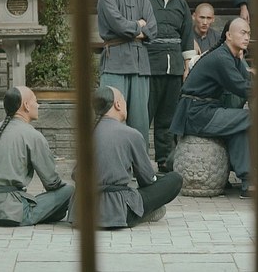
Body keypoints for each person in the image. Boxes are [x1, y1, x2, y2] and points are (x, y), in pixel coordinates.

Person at [170, 18, 258, 198]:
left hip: (206, 111)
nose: (247, 37)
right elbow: (242, 88)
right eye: (242, 33)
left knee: (239, 128)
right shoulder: (221, 57)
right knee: (251, 117)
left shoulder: (232, 56)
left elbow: (247, 80)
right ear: (228, 35)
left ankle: (248, 183)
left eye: (249, 33)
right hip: (196, 113)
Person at [69, 86, 183, 228]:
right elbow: (147, 179)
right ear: (117, 104)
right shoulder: (131, 134)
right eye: (123, 100)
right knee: (174, 179)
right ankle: (140, 214)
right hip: (115, 211)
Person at [0, 87, 74, 227]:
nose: (38, 105)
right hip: (10, 211)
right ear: (26, 105)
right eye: (36, 101)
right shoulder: (33, 135)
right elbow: (52, 183)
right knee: (68, 191)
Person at [97, 0, 159, 146]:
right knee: (112, 116)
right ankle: (112, 161)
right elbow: (119, 25)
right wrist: (139, 26)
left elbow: (153, 29)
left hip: (140, 65)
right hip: (115, 62)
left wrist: (136, 29)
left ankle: (140, 163)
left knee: (140, 122)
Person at [144, 0, 196, 172]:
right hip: (149, 66)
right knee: (143, 117)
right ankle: (138, 162)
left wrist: (187, 65)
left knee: (168, 118)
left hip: (173, 68)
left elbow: (187, 35)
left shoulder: (180, 3)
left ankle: (165, 161)